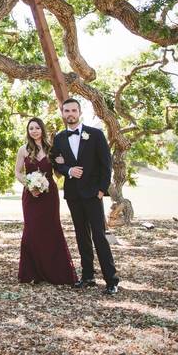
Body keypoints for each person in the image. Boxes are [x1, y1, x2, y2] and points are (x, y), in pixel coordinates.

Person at [51, 98, 119, 295]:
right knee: (82, 236)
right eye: (66, 111)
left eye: (73, 110)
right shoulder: (60, 138)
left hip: (92, 194)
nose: (70, 113)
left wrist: (101, 190)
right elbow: (56, 163)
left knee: (99, 236)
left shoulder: (96, 134)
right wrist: (69, 170)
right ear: (62, 114)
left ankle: (111, 279)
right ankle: (88, 276)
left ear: (79, 112)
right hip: (73, 195)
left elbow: (106, 165)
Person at [16, 117, 76, 285]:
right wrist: (29, 185)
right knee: (32, 230)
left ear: (42, 129)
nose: (34, 131)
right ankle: (33, 272)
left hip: (49, 196)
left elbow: (57, 175)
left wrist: (61, 163)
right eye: (31, 129)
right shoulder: (23, 149)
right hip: (31, 196)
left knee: (51, 229)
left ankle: (54, 271)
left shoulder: (52, 149)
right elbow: (18, 172)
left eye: (36, 128)